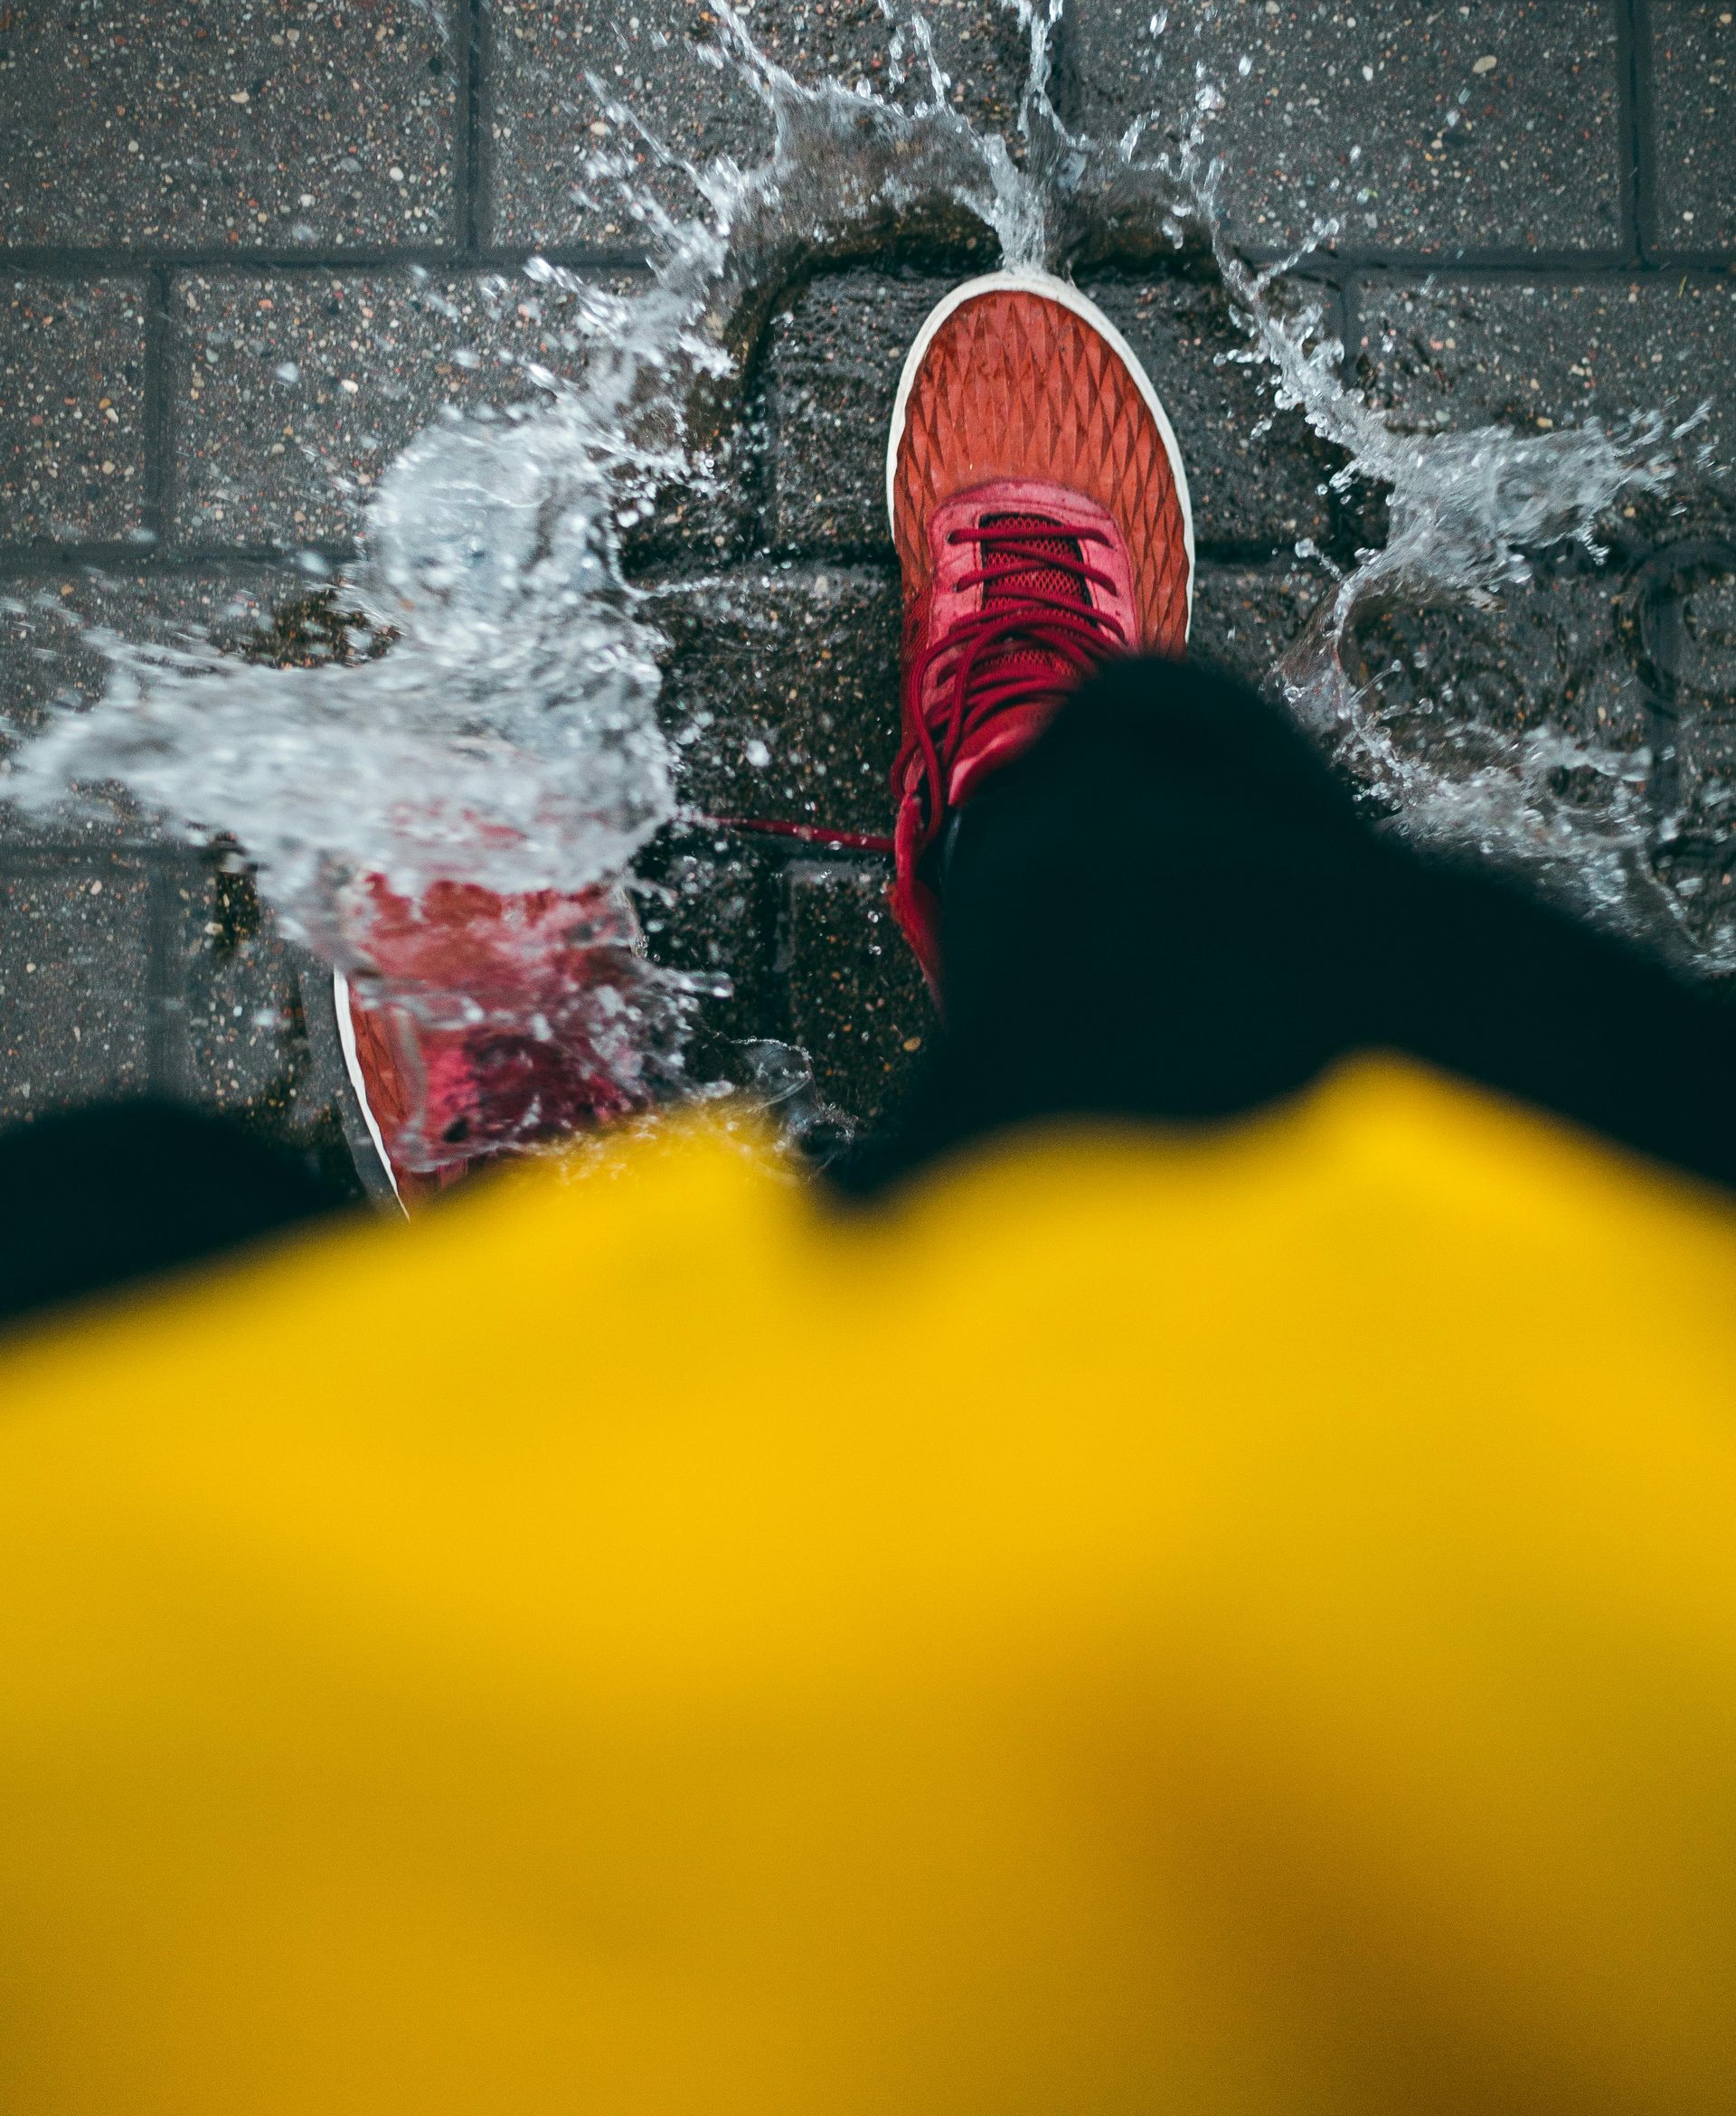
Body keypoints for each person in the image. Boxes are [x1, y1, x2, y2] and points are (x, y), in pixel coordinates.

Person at [4, 272, 1736, 2113]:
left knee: (143, 1301)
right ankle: (996, 809)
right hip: (1513, 1657)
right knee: (1198, 890)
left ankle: (541, 1240)